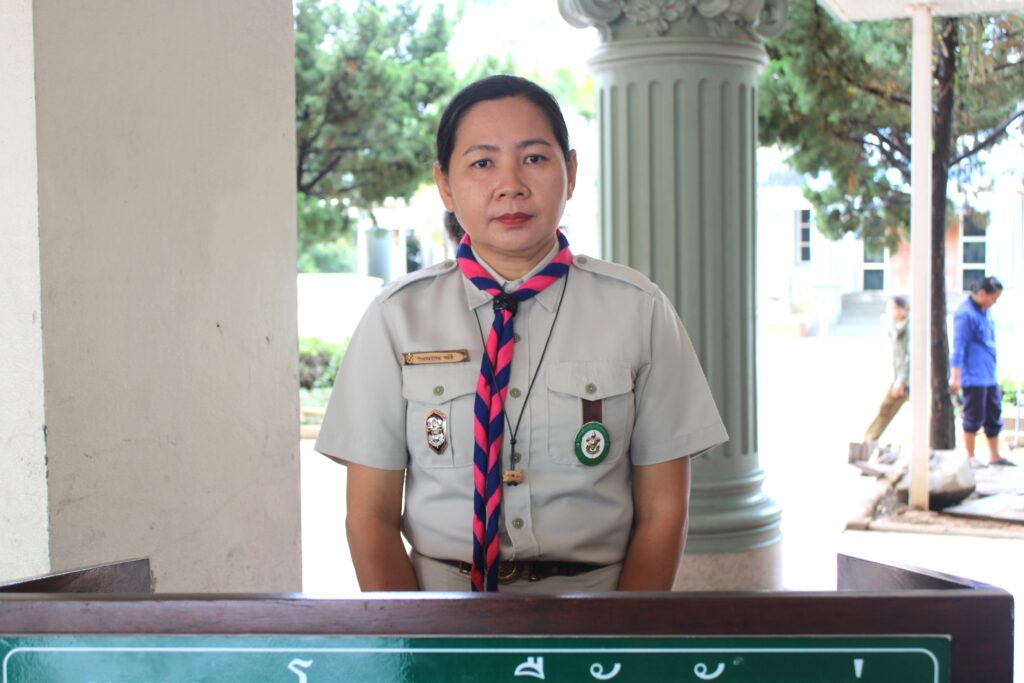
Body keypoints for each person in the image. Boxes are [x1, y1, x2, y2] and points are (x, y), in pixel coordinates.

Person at [314, 75, 728, 593]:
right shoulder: (397, 318)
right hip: (441, 607)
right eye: (482, 163)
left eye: (534, 158)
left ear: (570, 173)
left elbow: (664, 512)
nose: (510, 184)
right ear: (445, 184)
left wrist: (621, 632)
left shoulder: (638, 311)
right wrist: (413, 634)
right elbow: (369, 517)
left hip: (594, 605)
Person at [949, 275, 1012, 467]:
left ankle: (995, 455)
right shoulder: (965, 314)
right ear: (982, 293)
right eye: (993, 298)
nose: (994, 303)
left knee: (993, 414)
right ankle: (970, 457)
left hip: (989, 374)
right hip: (973, 375)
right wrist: (956, 376)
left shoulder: (986, 313)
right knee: (973, 416)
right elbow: (959, 347)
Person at [862, 296, 910, 443]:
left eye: (894, 308)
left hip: (909, 380)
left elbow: (909, 356)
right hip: (900, 379)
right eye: (890, 308)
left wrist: (901, 381)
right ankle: (868, 442)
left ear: (904, 309)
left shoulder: (910, 327)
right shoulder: (894, 327)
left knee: (926, 413)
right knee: (886, 408)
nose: (891, 312)